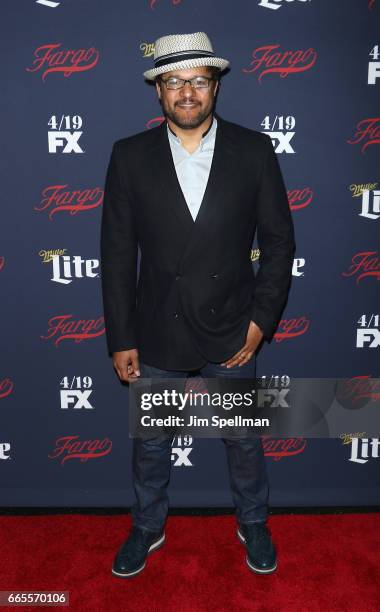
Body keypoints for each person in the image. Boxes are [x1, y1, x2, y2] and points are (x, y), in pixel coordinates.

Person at [100, 31, 296, 578]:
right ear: (158, 90)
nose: (187, 91)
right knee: (151, 444)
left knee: (245, 440)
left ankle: (253, 520)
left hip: (233, 327)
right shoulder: (129, 156)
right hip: (158, 327)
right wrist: (121, 336)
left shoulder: (254, 151)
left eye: (198, 80)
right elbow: (116, 255)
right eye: (174, 80)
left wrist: (260, 323)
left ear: (215, 86)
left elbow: (279, 244)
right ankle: (147, 526)